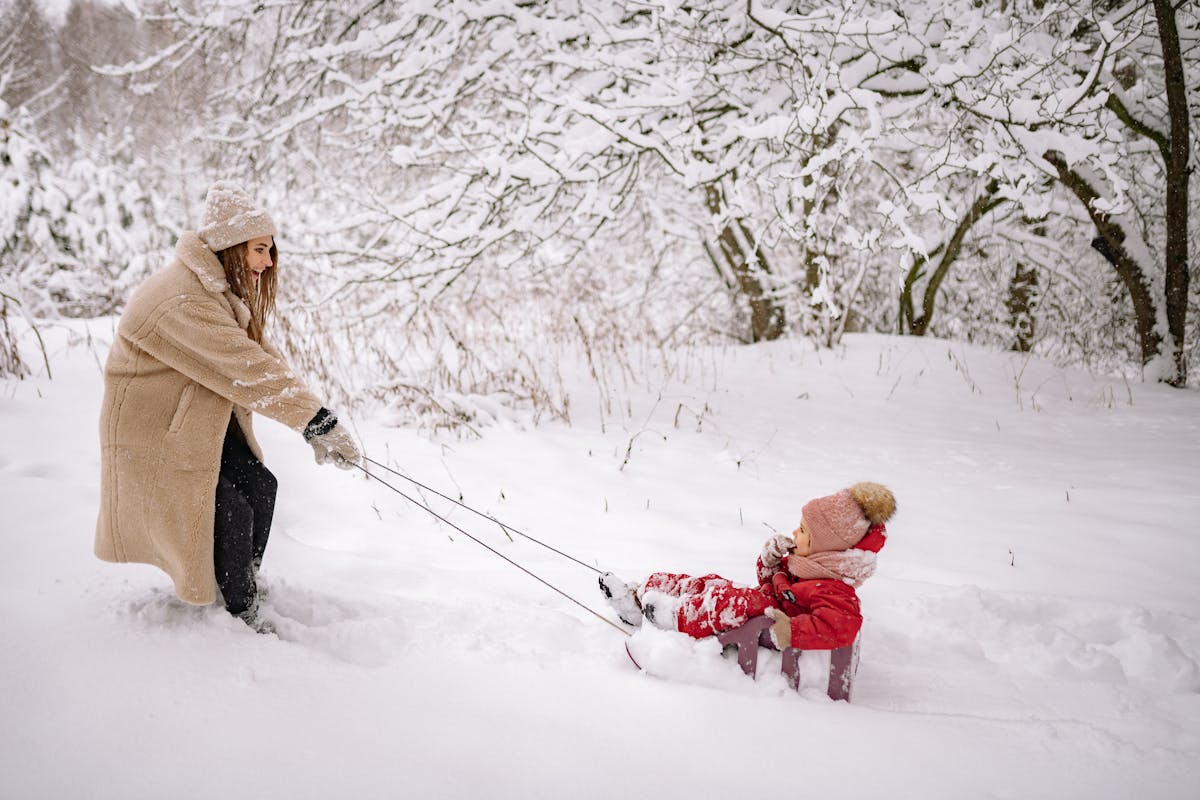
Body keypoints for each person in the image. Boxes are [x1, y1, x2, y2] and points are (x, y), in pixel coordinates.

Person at [94, 181, 361, 633]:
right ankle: (239, 616)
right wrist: (314, 420)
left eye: (270, 250)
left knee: (261, 487)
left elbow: (259, 356)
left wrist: (318, 420)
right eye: (260, 250)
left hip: (189, 426)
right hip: (151, 436)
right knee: (230, 511)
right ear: (231, 247)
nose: (268, 261)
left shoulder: (211, 290)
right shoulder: (181, 298)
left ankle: (237, 584)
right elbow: (247, 368)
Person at [599, 482, 896, 650]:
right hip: (759, 604)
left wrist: (792, 630)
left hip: (763, 620)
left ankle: (668, 617)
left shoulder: (834, 588)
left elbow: (841, 626)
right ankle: (640, 596)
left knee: (727, 603)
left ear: (827, 546)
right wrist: (771, 561)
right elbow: (773, 584)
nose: (795, 534)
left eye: (804, 532)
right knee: (709, 584)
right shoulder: (812, 564)